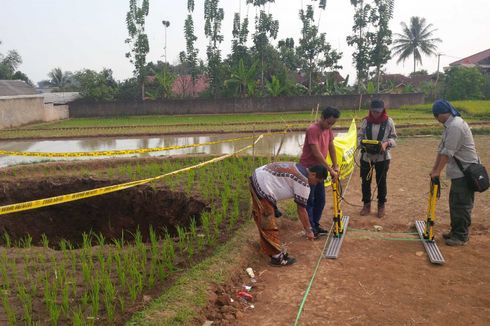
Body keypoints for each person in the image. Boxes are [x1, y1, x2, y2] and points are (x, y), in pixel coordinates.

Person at [249, 162, 328, 266]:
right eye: (317, 181)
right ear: (313, 174)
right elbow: (301, 210)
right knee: (268, 222)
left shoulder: (300, 167)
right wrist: (309, 230)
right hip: (263, 184)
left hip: (257, 176)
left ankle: (268, 249)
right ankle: (277, 257)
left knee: (262, 217)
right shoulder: (303, 181)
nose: (315, 184)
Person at [430, 99, 479, 246]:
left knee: (462, 205)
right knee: (455, 203)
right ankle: (455, 231)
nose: (436, 120)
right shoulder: (449, 126)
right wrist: (434, 170)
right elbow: (441, 150)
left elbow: (448, 152)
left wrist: (438, 171)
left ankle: (461, 236)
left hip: (465, 173)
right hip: (458, 173)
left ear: (441, 114)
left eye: (436, 116)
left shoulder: (456, 126)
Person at [299, 107, 340, 237]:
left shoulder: (328, 130)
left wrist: (336, 166)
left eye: (332, 124)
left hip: (320, 170)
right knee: (310, 200)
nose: (330, 126)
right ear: (322, 117)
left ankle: (315, 224)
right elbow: (316, 153)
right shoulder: (312, 130)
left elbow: (331, 147)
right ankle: (310, 229)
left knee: (320, 200)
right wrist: (331, 171)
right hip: (309, 171)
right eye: (328, 123)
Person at [358, 99, 397, 218]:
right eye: (373, 111)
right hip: (366, 157)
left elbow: (394, 139)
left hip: (382, 158)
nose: (376, 114)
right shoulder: (365, 121)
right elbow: (359, 136)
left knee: (381, 181)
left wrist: (386, 144)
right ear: (370, 110)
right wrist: (362, 143)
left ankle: (381, 205)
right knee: (365, 181)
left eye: (378, 112)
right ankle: (366, 204)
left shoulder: (389, 122)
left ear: (383, 110)